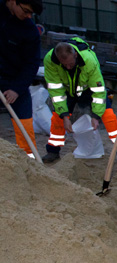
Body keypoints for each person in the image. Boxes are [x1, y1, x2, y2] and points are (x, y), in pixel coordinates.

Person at [42, 37, 117, 164]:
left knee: (109, 116)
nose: (68, 67)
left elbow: (98, 90)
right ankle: (53, 151)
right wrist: (65, 115)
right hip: (66, 89)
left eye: (71, 63)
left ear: (75, 55)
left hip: (88, 89)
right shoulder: (50, 60)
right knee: (57, 118)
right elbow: (55, 90)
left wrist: (96, 115)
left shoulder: (89, 60)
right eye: (64, 65)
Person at [0, 0, 42, 158]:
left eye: (31, 13)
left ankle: (30, 163)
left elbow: (32, 64)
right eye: (26, 11)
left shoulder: (29, 30)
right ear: (12, 2)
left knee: (25, 127)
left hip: (15, 81)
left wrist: (16, 89)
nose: (28, 16)